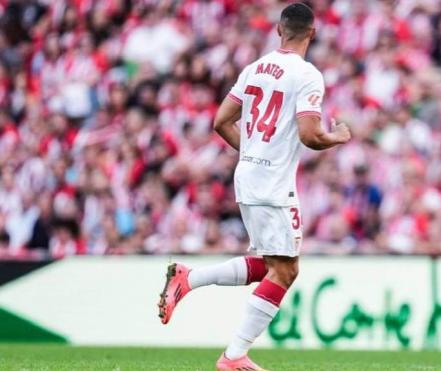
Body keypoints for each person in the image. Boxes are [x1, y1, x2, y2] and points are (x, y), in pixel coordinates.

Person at [156, 3, 351, 370]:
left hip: (248, 175)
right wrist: (336, 137)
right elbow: (310, 135)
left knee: (268, 264)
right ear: (312, 32)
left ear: (279, 31)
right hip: (273, 184)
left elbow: (220, 121)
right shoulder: (308, 75)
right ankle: (234, 356)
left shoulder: (254, 69)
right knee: (286, 271)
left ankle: (188, 278)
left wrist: (255, 153)